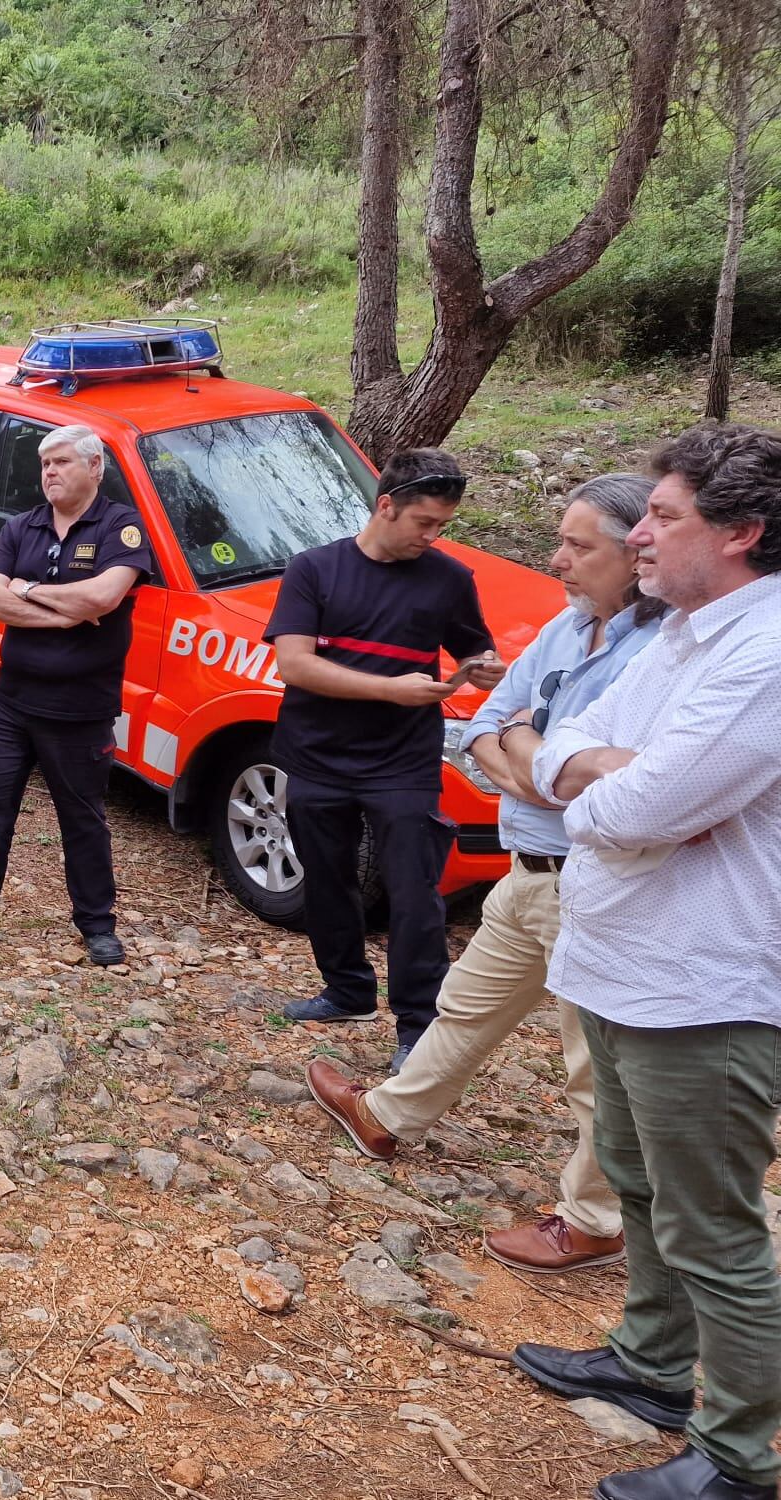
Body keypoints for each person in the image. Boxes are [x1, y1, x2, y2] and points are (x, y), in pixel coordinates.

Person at [512, 425, 781, 1500]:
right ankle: (652, 1365)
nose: (639, 535)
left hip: (701, 986)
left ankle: (739, 1459)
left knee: (711, 1229)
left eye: (663, 518)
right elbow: (567, 742)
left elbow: (631, 806)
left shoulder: (762, 655)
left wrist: (594, 779)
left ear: (740, 533)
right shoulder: (678, 634)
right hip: (620, 962)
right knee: (634, 1185)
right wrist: (596, 774)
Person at [306, 474, 662, 1272]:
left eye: (578, 546)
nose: (558, 560)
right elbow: (488, 725)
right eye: (561, 541)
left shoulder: (664, 650)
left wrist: (531, 755)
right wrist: (529, 757)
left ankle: (596, 1221)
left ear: (637, 553)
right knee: (466, 1007)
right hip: (530, 865)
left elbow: (590, 780)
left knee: (592, 1065)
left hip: (599, 881)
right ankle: (387, 1116)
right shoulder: (570, 628)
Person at [262, 448, 504, 1072]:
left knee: (413, 889)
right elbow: (294, 664)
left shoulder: (449, 579)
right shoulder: (314, 569)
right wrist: (393, 688)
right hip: (317, 754)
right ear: (386, 505)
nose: (433, 536)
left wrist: (481, 670)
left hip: (403, 761)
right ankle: (346, 991)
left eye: (443, 526)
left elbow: (473, 651)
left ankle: (418, 1025)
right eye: (424, 522)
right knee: (327, 877)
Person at [0, 424, 152, 965]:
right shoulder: (21, 528)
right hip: (14, 702)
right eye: (45, 463)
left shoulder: (121, 526)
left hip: (79, 708)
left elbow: (103, 596)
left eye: (63, 462)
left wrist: (27, 590)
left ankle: (97, 925)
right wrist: (64, 610)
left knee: (82, 817)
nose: (49, 472)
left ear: (95, 468)